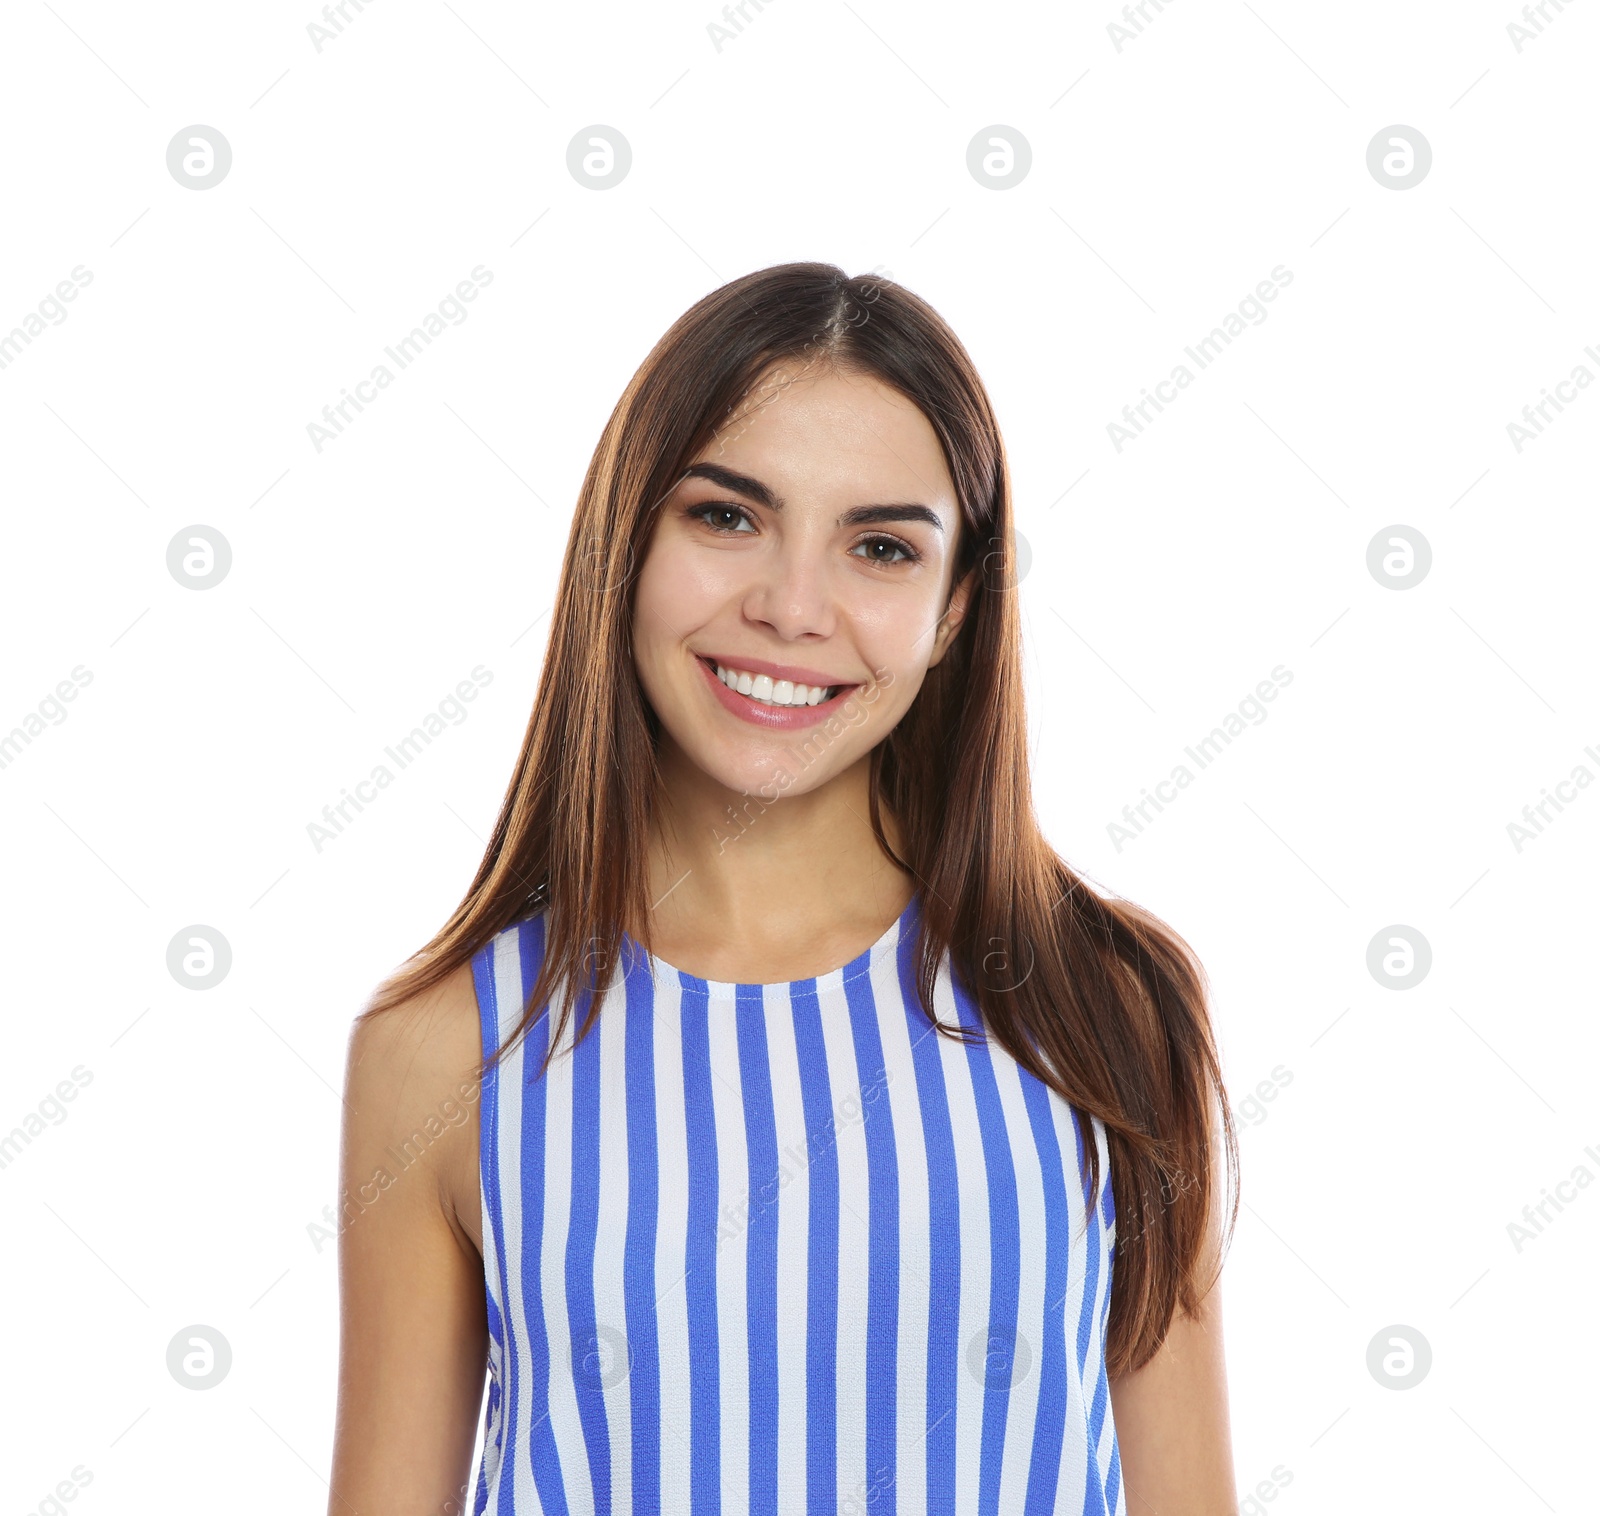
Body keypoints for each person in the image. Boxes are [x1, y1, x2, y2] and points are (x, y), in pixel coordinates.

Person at [327, 262, 1240, 1515]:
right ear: (625, 541)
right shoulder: (448, 1048)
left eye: (877, 546)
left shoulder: (1104, 1008)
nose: (791, 607)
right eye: (726, 517)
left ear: (956, 604)